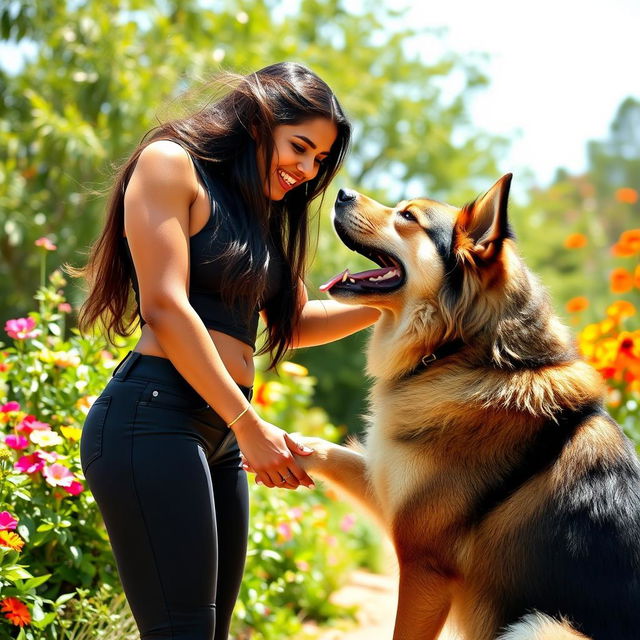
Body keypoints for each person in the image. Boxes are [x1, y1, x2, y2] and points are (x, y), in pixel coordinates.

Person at [68, 62, 380, 640]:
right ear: (259, 118)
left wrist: (403, 297)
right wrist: (250, 425)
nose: (306, 170)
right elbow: (164, 305)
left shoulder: (260, 215)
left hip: (218, 437)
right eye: (300, 148)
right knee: (183, 630)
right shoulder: (170, 165)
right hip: (153, 421)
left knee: (210, 631)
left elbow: (299, 322)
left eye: (319, 161)